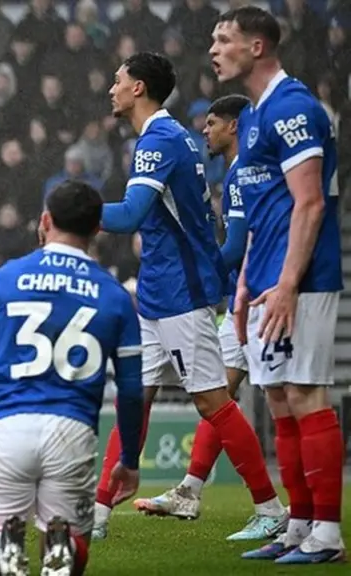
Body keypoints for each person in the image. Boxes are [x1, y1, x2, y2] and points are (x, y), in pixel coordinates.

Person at [92, 51, 286, 541]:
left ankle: (270, 507)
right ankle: (97, 512)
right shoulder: (171, 137)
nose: (112, 88)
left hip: (182, 290)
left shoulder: (159, 140)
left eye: (118, 80)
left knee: (212, 401)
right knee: (134, 397)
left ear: (138, 88)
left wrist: (72, 212)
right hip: (159, 289)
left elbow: (131, 215)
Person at [211, 6, 345, 563]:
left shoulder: (293, 108)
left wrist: (288, 283)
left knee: (305, 394)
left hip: (302, 278)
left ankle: (328, 535)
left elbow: (310, 203)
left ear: (257, 46)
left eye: (225, 39)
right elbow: (265, 213)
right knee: (280, 400)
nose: (214, 49)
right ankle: (300, 525)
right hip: (266, 277)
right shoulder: (256, 116)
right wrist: (246, 283)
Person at [0, 180, 143, 576]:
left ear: (45, 221)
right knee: (73, 551)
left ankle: (0, 542)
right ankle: (61, 544)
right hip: (73, 429)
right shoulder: (115, 295)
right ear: (97, 229)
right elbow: (132, 390)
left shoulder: (3, 280)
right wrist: (129, 457)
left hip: (9, 423)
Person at [135, 94, 284, 540]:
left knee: (278, 402)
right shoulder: (245, 169)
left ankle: (287, 510)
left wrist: (202, 274)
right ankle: (191, 489)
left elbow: (235, 245)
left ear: (234, 126)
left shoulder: (241, 173)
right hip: (245, 296)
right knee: (218, 399)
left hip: (256, 297)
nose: (206, 130)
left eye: (214, 122)